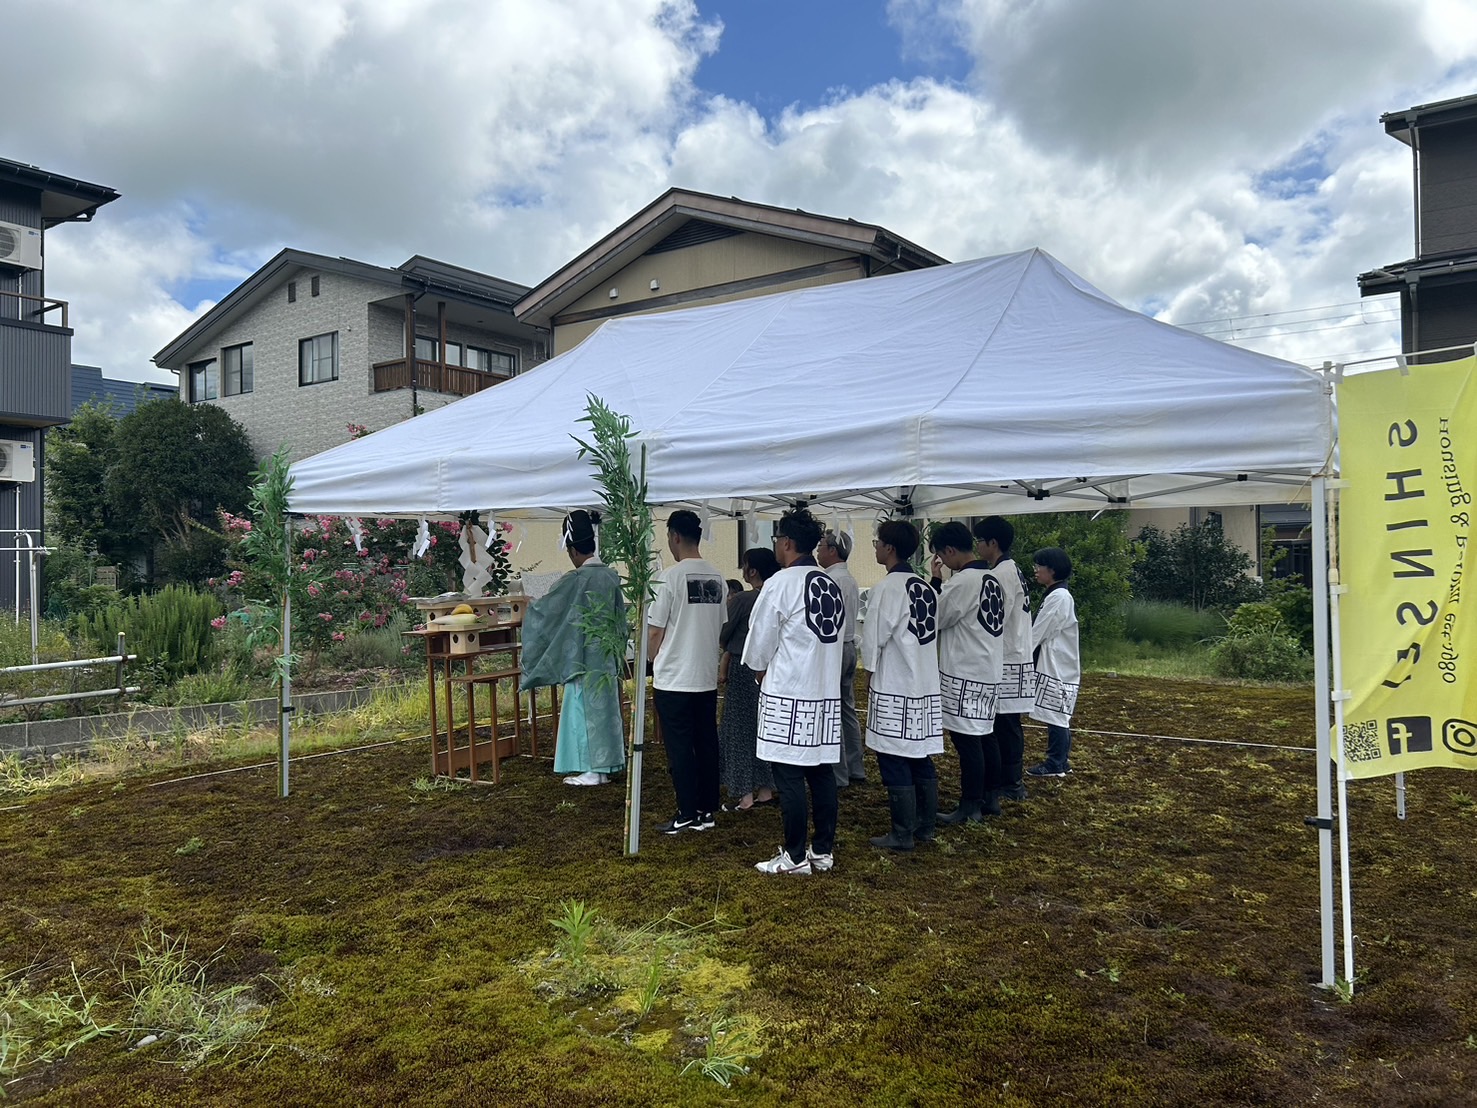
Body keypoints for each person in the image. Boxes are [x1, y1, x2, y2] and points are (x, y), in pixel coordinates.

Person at [742, 506, 844, 875]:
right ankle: (823, 850)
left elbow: (758, 649)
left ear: (785, 542)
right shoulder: (829, 582)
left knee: (789, 775)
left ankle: (796, 855)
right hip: (823, 690)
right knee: (820, 772)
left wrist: (759, 675)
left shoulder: (780, 584)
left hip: (788, 692)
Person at [519, 510, 626, 785]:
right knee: (606, 711)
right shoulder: (611, 576)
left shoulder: (577, 579)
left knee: (584, 711)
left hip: (583, 657)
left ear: (573, 549)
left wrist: (530, 606)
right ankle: (605, 766)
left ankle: (591, 769)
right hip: (606, 656)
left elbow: (547, 611)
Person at [860, 520, 944, 850]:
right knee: (919, 752)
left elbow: (874, 637)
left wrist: (869, 672)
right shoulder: (924, 586)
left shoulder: (887, 589)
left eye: (877, 542)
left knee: (893, 753)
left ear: (889, 548)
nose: (875, 547)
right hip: (923, 680)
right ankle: (925, 826)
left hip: (895, 681)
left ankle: (902, 832)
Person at [648, 509, 726, 834]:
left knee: (679, 747)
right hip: (704, 675)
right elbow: (719, 626)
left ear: (675, 537)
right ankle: (707, 809)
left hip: (675, 677)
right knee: (706, 742)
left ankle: (686, 811)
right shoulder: (716, 576)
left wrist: (652, 661)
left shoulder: (669, 577)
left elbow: (654, 630)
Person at [927, 521, 1003, 823]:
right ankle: (991, 797)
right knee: (986, 736)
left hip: (965, 671)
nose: (942, 562)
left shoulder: (963, 582)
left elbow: (937, 617)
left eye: (942, 556)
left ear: (949, 550)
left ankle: (970, 805)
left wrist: (935, 583)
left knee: (968, 740)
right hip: (988, 667)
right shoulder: (991, 578)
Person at [973, 516, 1036, 801]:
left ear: (992, 543)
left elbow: (994, 619)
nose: (977, 547)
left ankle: (1009, 782)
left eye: (979, 541)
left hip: (1007, 658)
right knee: (1008, 724)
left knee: (1004, 725)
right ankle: (1009, 781)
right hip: (1016, 655)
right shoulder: (1012, 569)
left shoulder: (1000, 575)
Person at [717, 548, 780, 811]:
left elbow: (724, 632)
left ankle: (744, 794)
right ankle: (766, 789)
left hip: (744, 668)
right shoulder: (777, 595)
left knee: (739, 729)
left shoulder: (744, 599)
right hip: (772, 669)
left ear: (751, 570)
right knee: (762, 728)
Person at [817, 528, 866, 788]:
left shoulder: (828, 580)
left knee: (832, 710)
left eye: (821, 545)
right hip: (848, 646)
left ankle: (838, 773)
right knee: (846, 709)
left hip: (834, 649)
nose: (818, 550)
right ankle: (855, 766)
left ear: (833, 550)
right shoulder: (849, 578)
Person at [1026, 547, 1080, 778]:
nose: (1036, 571)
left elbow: (1039, 631)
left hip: (1056, 662)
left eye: (1040, 566)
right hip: (1056, 660)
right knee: (1057, 711)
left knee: (1057, 713)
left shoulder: (1058, 597)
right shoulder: (1056, 594)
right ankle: (1059, 760)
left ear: (1053, 570)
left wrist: (1021, 653)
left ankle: (1056, 761)